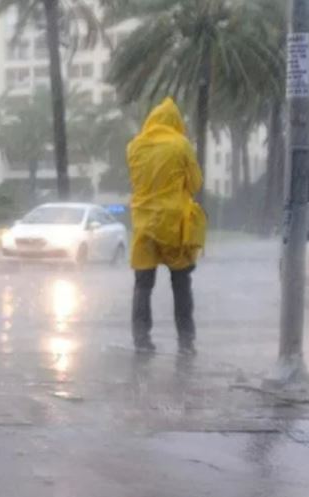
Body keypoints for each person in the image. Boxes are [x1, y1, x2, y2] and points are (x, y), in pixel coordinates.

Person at [127, 98, 207, 356]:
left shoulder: (135, 146)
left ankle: (141, 339)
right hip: (174, 225)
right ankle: (186, 342)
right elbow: (195, 184)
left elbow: (138, 179)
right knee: (181, 282)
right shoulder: (181, 144)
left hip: (144, 224)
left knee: (143, 284)